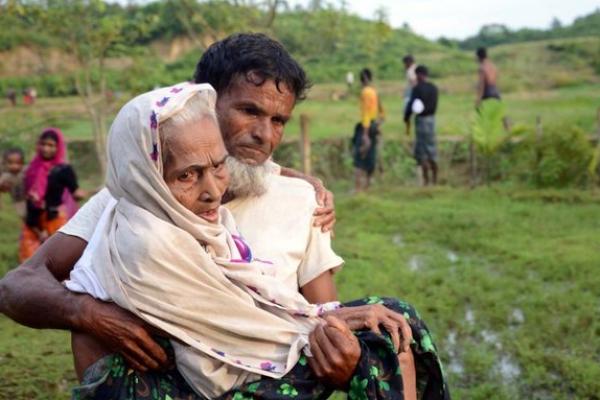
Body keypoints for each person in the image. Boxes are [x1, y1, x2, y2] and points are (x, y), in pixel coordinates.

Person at [0, 34, 448, 399]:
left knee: (391, 326)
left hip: (266, 377)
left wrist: (340, 358)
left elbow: (322, 316)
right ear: (202, 104)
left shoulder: (298, 198)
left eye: (279, 120)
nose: (264, 134)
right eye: (249, 110)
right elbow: (17, 286)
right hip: (167, 385)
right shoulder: (131, 200)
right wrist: (87, 313)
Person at [18, 128, 85, 262]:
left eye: (51, 145)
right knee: (29, 263)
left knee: (56, 262)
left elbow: (76, 193)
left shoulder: (64, 170)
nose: (45, 149)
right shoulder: (32, 169)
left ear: (58, 147)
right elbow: (26, 196)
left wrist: (90, 193)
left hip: (55, 221)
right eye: (43, 144)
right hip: (33, 222)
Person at [404, 65, 439, 186]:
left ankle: (426, 181)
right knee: (432, 149)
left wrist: (406, 119)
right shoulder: (434, 88)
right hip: (432, 120)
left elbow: (411, 106)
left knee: (422, 152)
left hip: (421, 121)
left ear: (419, 75)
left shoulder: (417, 89)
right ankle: (435, 179)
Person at [352, 68, 384, 192]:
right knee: (371, 157)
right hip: (374, 126)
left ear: (363, 78)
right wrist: (377, 125)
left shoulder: (365, 92)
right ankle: (367, 187)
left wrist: (365, 135)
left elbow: (365, 114)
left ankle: (358, 188)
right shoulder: (375, 92)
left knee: (360, 157)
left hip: (366, 128)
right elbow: (382, 113)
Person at [0, 147, 26, 218]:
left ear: (22, 163)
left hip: (29, 199)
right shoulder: (6, 176)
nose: (15, 166)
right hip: (17, 201)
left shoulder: (25, 171)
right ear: (5, 164)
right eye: (10, 163)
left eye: (18, 163)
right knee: (24, 216)